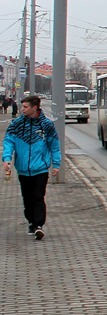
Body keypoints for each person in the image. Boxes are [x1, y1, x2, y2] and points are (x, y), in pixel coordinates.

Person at [3, 94, 61, 240]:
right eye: (22, 106)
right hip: (23, 169)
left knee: (38, 197)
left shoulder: (46, 125)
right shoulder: (17, 124)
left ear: (34, 108)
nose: (22, 109)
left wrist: (56, 164)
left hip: (40, 169)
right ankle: (31, 221)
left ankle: (38, 225)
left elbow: (54, 145)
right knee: (27, 199)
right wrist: (7, 158)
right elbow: (8, 141)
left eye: (25, 107)